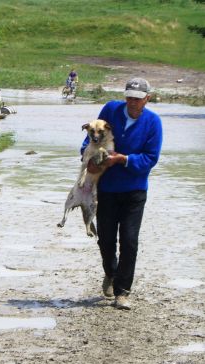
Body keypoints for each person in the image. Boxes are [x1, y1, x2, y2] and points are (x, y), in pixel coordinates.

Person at [81, 77, 162, 310]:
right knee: (105, 239)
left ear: (147, 98)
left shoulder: (153, 122)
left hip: (134, 191)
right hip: (106, 189)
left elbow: (151, 158)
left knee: (129, 240)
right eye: (129, 97)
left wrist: (123, 159)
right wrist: (86, 160)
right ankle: (110, 272)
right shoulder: (111, 109)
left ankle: (122, 292)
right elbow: (92, 137)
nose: (132, 103)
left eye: (138, 99)